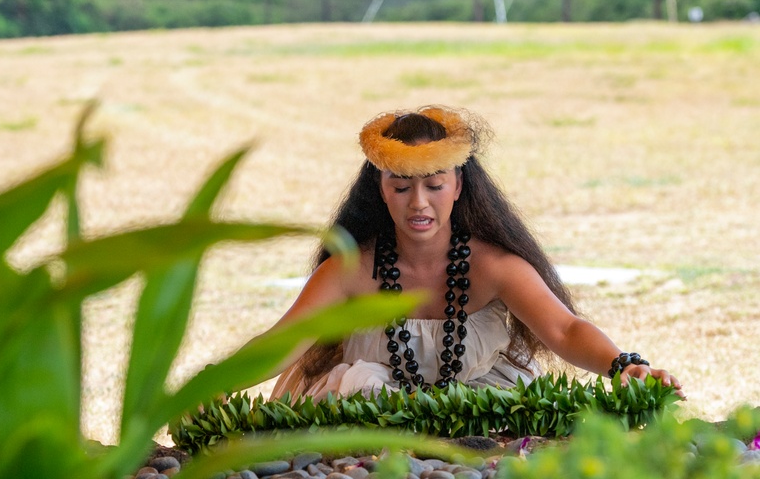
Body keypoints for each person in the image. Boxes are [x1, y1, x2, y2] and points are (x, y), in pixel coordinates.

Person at [263, 105, 683, 401]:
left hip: (481, 403)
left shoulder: (494, 267)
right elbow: (282, 342)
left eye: (434, 184)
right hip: (366, 406)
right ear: (381, 192)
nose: (419, 203)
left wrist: (623, 365)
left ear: (458, 187)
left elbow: (565, 330)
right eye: (402, 186)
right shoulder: (349, 271)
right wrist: (217, 383)